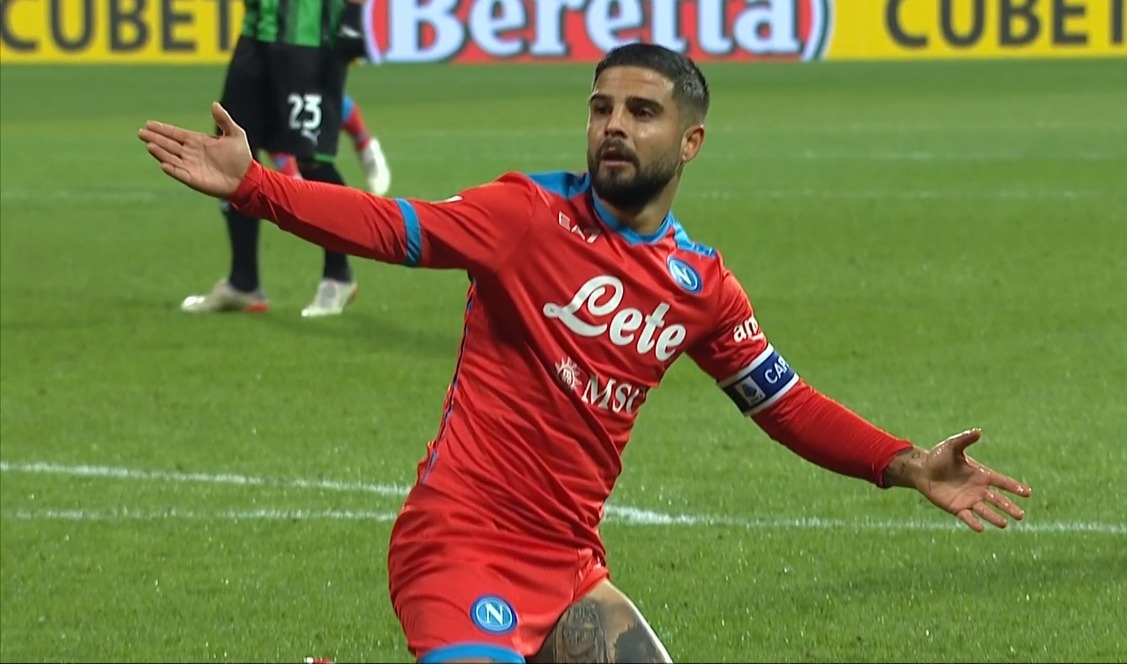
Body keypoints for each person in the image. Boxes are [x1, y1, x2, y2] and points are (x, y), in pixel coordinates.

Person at [138, 43, 1033, 664]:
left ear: (690, 142)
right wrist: (255, 186)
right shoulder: (524, 217)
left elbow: (786, 403)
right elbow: (392, 225)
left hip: (567, 565)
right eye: (602, 107)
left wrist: (905, 463)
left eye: (642, 112)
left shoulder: (700, 286)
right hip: (459, 543)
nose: (614, 125)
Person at [179, 0, 369, 318]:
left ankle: (338, 276)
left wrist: (353, 16)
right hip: (258, 31)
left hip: (310, 37)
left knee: (312, 159)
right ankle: (243, 282)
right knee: (230, 148)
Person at [270, 93, 393, 196]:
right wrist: (293, 176)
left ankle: (365, 145)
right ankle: (365, 144)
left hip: (318, 165)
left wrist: (363, 141)